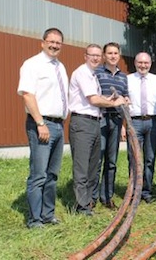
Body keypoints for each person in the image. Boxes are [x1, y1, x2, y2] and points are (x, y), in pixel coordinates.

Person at [17, 28, 68, 228]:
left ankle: (48, 215)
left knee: (52, 174)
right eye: (51, 41)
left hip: (58, 124)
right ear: (42, 42)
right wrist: (40, 123)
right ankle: (35, 220)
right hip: (41, 124)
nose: (54, 45)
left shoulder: (60, 67)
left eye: (58, 43)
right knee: (39, 174)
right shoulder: (32, 65)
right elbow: (28, 95)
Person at [68, 44, 126, 216]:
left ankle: (88, 202)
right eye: (92, 55)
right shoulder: (82, 73)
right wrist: (115, 103)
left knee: (93, 166)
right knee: (82, 166)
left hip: (94, 121)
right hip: (82, 123)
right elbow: (93, 99)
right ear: (85, 55)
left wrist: (109, 99)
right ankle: (82, 206)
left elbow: (97, 98)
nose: (95, 58)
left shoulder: (93, 75)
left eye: (97, 55)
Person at [93, 42, 129, 210]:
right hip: (100, 119)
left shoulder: (123, 76)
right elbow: (94, 96)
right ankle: (92, 198)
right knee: (97, 159)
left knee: (112, 161)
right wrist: (111, 100)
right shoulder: (97, 72)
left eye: (116, 53)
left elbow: (125, 97)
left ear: (119, 55)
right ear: (104, 55)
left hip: (115, 120)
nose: (113, 56)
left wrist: (126, 101)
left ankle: (107, 197)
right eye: (110, 53)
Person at [127, 52, 156, 204]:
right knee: (134, 158)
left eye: (146, 63)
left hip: (153, 122)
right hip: (134, 122)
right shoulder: (128, 79)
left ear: (150, 63)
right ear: (135, 63)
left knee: (150, 158)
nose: (143, 65)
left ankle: (146, 190)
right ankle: (133, 191)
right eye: (140, 62)